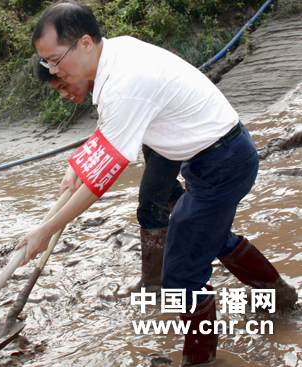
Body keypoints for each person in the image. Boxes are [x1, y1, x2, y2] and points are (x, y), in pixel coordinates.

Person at [18, 2, 298, 366]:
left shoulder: (125, 82)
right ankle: (280, 297)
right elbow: (111, 129)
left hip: (223, 164)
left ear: (84, 43)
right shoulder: (116, 53)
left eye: (55, 60)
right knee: (208, 238)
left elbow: (102, 179)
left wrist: (46, 229)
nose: (54, 70)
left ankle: (200, 360)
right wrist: (78, 166)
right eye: (48, 64)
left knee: (181, 276)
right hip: (210, 159)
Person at [36, 63, 184, 294]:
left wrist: (46, 230)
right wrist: (71, 172)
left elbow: (103, 174)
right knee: (169, 192)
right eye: (58, 90)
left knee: (150, 204)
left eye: (64, 85)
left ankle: (154, 284)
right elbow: (101, 133)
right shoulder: (102, 88)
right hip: (156, 133)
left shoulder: (114, 84)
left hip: (173, 129)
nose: (64, 94)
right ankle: (196, 241)